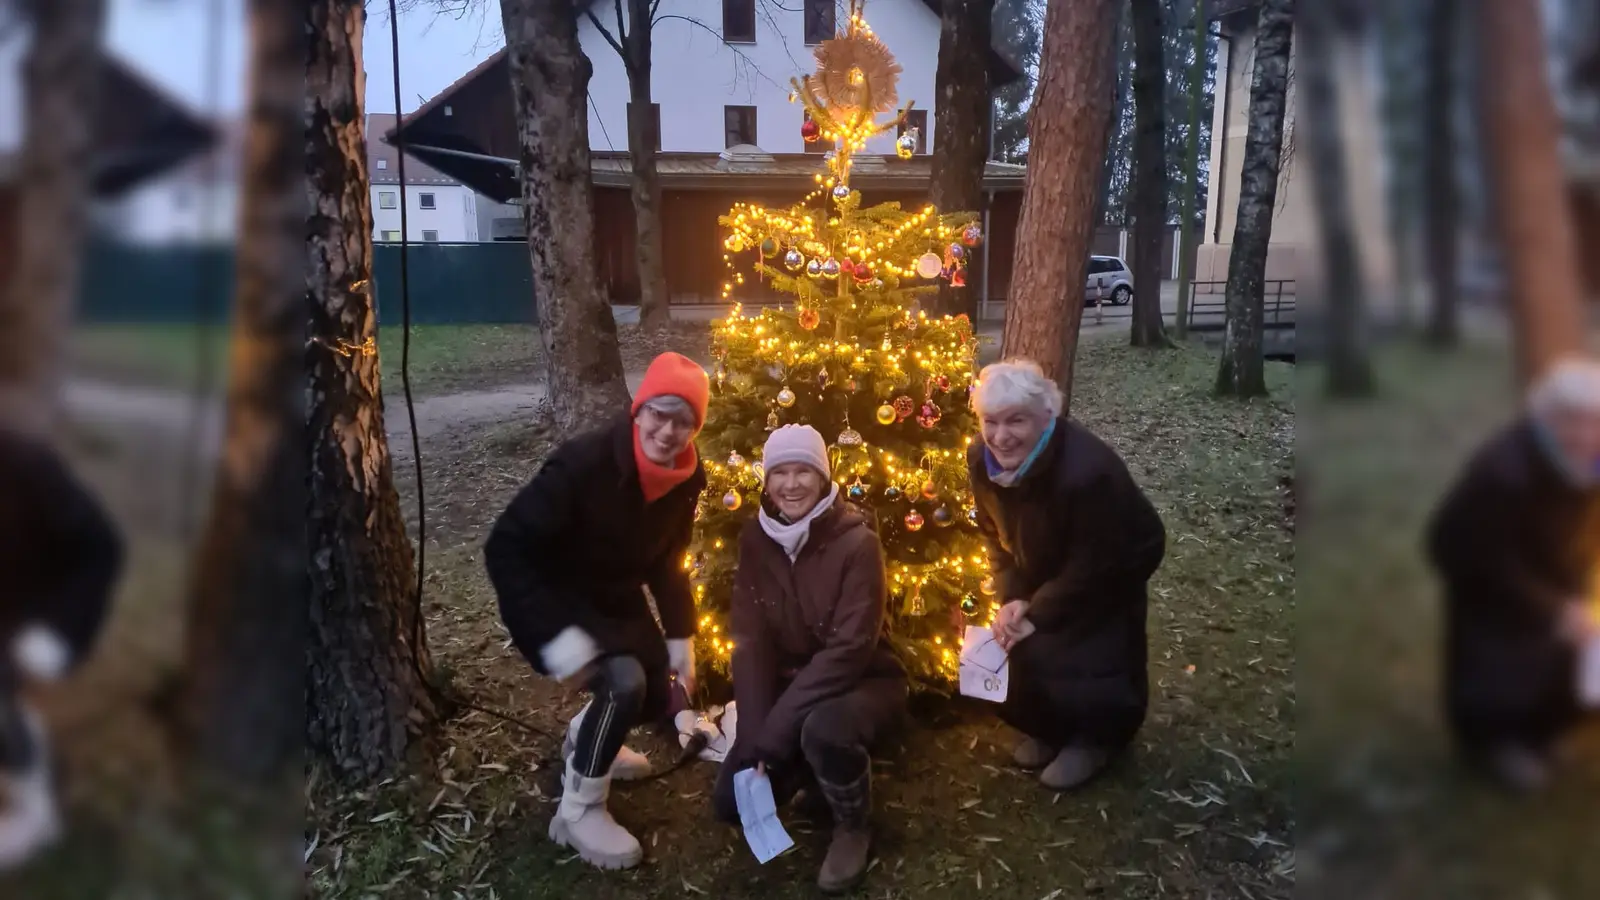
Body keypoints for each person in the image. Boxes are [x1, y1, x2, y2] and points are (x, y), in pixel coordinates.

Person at [484, 352, 709, 870]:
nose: (669, 430)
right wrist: (554, 637)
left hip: (612, 597)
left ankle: (585, 740)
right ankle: (577, 812)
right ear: (639, 410)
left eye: (684, 421)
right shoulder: (581, 465)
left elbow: (670, 562)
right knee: (624, 682)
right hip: (553, 597)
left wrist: (681, 639)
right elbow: (506, 547)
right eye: (660, 413)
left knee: (654, 693)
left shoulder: (687, 480)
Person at [713, 425, 905, 895]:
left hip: (864, 679)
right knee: (729, 801)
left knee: (823, 729)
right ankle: (809, 769)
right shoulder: (756, 541)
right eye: (780, 472)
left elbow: (850, 650)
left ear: (823, 477)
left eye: (804, 471)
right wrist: (757, 738)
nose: (791, 484)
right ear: (767, 480)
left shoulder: (859, 545)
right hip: (793, 684)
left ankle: (853, 825)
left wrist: (777, 734)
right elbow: (750, 642)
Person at [966, 360, 1166, 791]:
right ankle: (1052, 729)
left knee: (1093, 651)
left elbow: (1098, 562)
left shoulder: (1089, 474)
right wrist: (1012, 596)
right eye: (990, 421)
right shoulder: (980, 461)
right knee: (1023, 644)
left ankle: (1099, 738)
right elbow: (992, 535)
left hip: (1110, 572)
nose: (1000, 436)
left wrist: (1039, 608)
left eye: (1016, 420)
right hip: (1039, 569)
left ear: (1047, 417)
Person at [1426, 355, 1600, 792]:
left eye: (1595, 421)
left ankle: (1546, 731)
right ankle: (1496, 744)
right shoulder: (1505, 475)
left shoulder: (1590, 458)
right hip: (1493, 585)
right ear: (1544, 418)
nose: (1586, 434)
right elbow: (1465, 551)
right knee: (1503, 665)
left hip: (1557, 571)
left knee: (1573, 654)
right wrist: (1549, 607)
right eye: (1571, 421)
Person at [0, 426, 124, 868]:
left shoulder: (27, 466)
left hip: (57, 611)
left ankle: (36, 812)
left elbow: (102, 547)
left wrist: (59, 625)